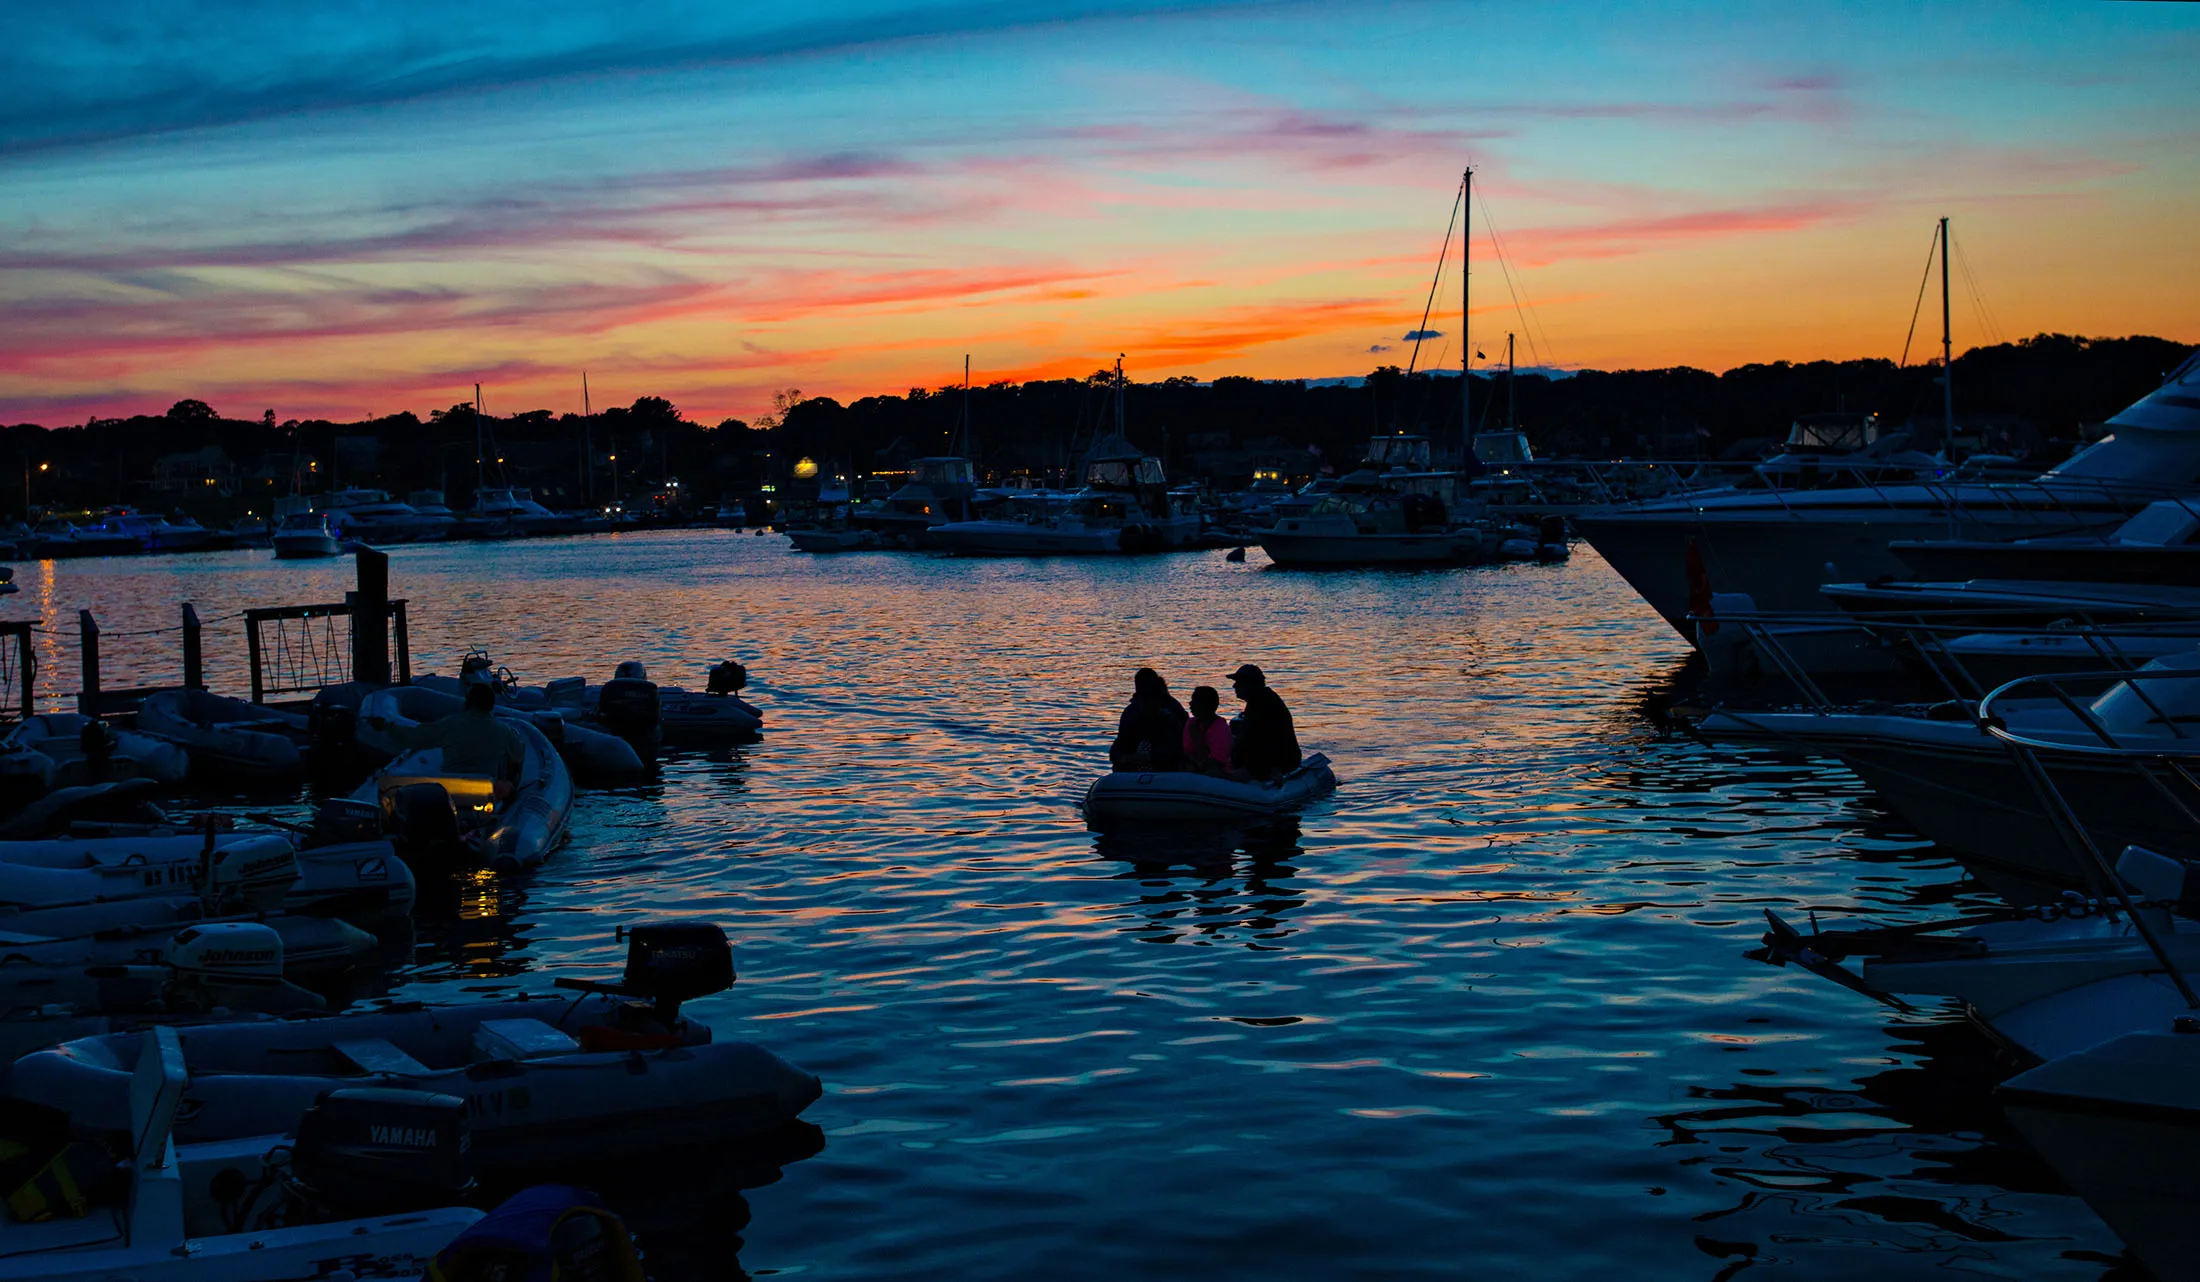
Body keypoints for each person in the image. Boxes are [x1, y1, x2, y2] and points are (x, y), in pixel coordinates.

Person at [370, 683, 526, 798]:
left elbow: (414, 738)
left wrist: (387, 726)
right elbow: (518, 756)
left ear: (469, 703)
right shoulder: (504, 732)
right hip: (487, 794)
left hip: (452, 793)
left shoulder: (450, 725)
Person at [1227, 664, 1301, 780]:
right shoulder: (1259, 701)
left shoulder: (1264, 705)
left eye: (1239, 682)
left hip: (1276, 763)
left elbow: (1264, 741)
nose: (1234, 686)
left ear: (1251, 685)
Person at [1110, 667, 1187, 771]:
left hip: (1165, 765)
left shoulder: (1171, 713)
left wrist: (1151, 757)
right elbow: (1120, 745)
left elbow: (1178, 746)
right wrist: (1126, 758)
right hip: (1136, 763)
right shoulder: (1132, 712)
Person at [1181, 685, 1236, 777]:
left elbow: (1219, 760)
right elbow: (1187, 751)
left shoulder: (1220, 728)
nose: (1190, 704)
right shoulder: (1191, 723)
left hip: (1217, 773)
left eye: (1194, 701)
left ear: (1205, 704)